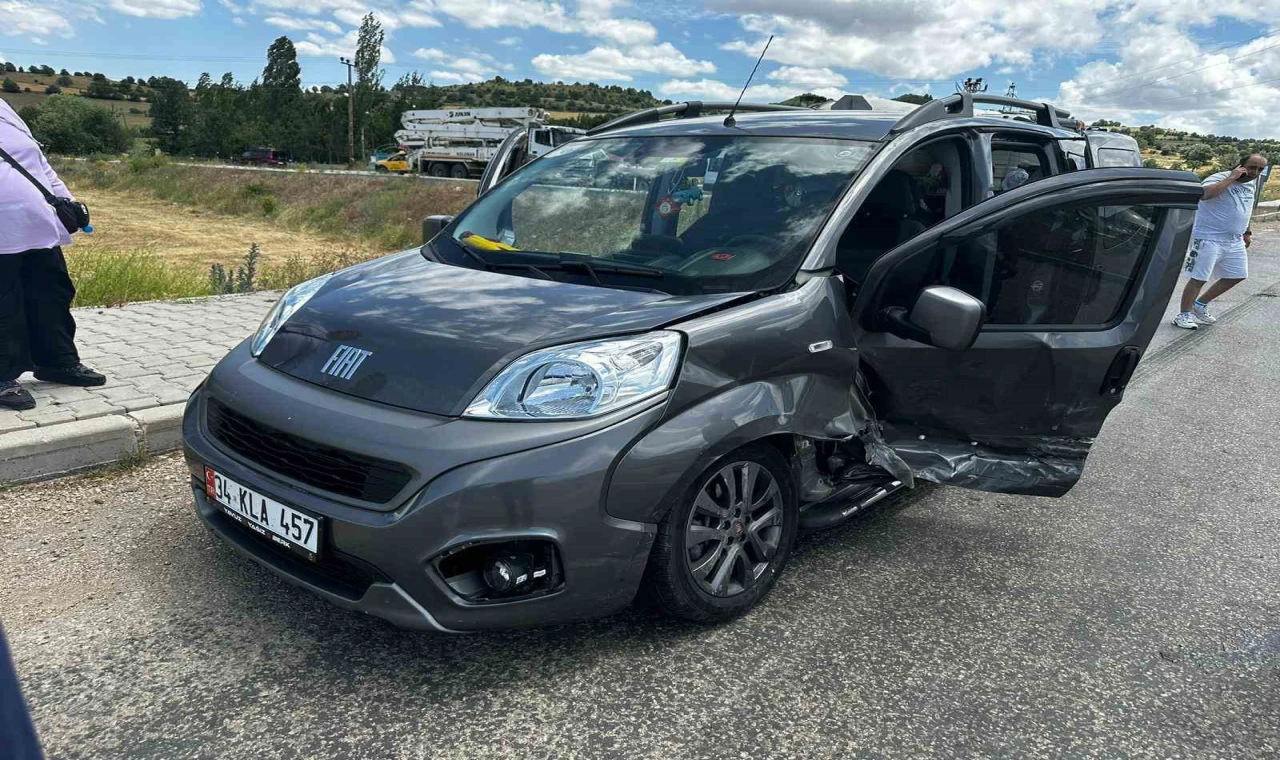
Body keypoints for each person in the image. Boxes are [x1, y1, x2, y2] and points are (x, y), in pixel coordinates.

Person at [0, 97, 105, 410]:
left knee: (52, 295)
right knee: (3, 304)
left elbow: (38, 162)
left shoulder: (4, 108)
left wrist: (67, 202)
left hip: (36, 225)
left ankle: (56, 361)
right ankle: (2, 376)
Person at [1173, 153, 1268, 330]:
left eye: (1260, 169)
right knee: (1199, 278)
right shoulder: (1220, 177)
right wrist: (1231, 178)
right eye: (1252, 167)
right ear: (1241, 164)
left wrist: (1247, 231)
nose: (1255, 172)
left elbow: (1245, 208)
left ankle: (1199, 305)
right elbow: (1205, 195)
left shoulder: (1251, 184)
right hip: (1208, 238)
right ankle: (1183, 315)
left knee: (1237, 274)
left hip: (1234, 240)